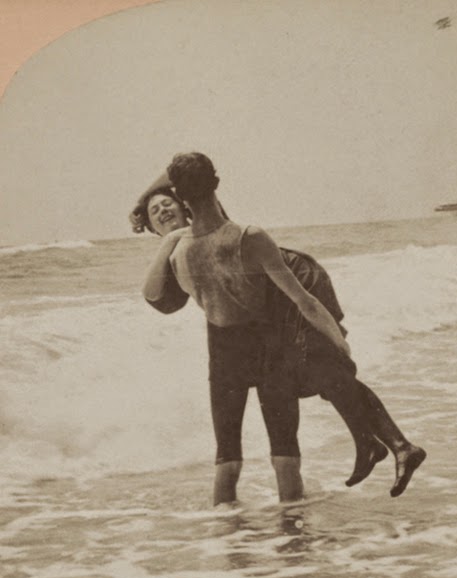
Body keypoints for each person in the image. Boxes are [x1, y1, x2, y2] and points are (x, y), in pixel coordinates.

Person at [132, 153, 426, 504]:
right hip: (246, 329)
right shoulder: (177, 253)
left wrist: (141, 200)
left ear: (183, 201)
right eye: (154, 212)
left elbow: (183, 172)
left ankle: (389, 446)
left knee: (324, 367)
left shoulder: (218, 224)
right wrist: (168, 240)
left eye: (167, 203)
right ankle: (372, 445)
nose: (162, 211)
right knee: (316, 378)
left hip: (290, 288)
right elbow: (153, 295)